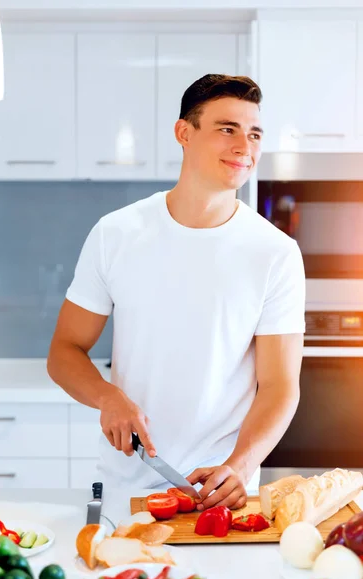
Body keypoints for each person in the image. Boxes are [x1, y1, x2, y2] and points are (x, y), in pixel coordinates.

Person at [47, 74, 305, 511]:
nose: (246, 146)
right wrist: (107, 397)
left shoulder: (275, 252)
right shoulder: (117, 233)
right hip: (124, 492)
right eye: (228, 129)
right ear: (184, 133)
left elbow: (280, 386)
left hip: (220, 495)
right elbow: (64, 352)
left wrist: (240, 466)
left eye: (255, 133)